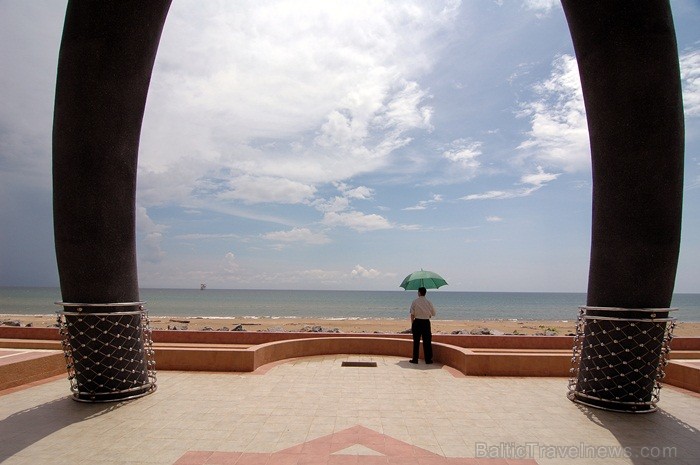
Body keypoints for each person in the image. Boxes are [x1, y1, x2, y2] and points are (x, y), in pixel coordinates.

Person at [409, 286, 436, 364]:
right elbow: (433, 313)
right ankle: (428, 360)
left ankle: (415, 359)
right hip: (426, 323)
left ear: (419, 293)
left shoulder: (415, 301)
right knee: (427, 341)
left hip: (417, 322)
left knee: (416, 341)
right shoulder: (429, 302)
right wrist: (428, 314)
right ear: (425, 293)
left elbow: (412, 314)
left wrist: (412, 324)